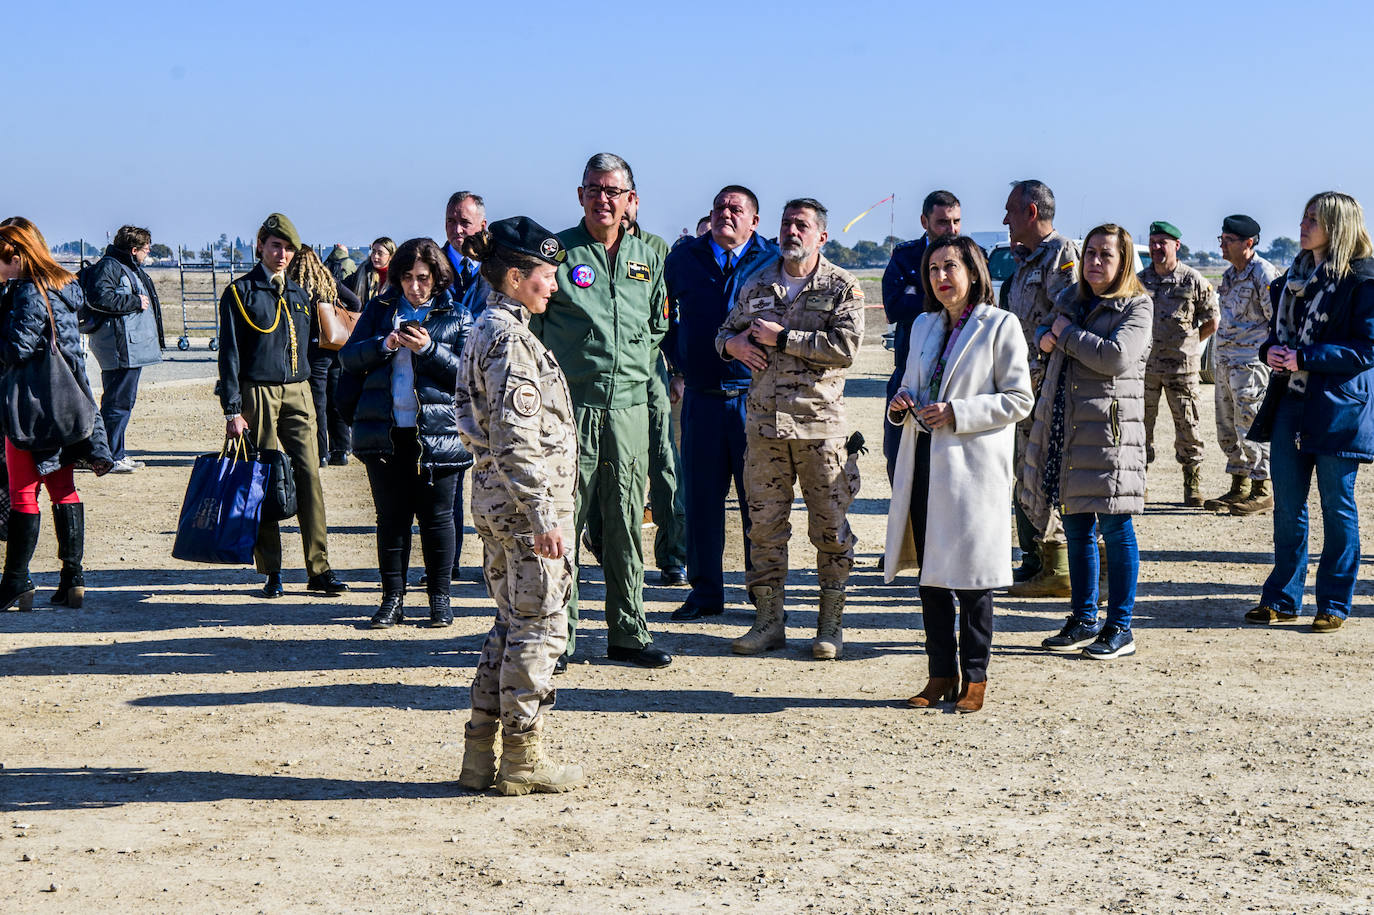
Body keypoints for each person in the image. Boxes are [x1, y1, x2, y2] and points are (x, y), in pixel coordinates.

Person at [454, 216, 583, 795]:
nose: (553, 285)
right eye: (545, 275)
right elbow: (515, 437)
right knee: (541, 628)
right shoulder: (509, 341)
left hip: (497, 500)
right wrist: (543, 515)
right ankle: (523, 758)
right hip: (523, 507)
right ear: (514, 276)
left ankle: (480, 754)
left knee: (511, 623)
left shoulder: (486, 328)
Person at [529, 152, 672, 670]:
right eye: (594, 189)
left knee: (627, 522)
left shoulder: (648, 255)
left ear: (630, 198)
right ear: (580, 195)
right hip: (573, 409)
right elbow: (533, 324)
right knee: (566, 524)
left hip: (629, 408)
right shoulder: (559, 253)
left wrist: (630, 370)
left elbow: (658, 325)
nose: (603, 199)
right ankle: (558, 638)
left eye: (613, 191)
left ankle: (628, 632)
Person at [884, 235, 1032, 712]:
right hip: (926, 461)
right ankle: (939, 673)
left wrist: (958, 412)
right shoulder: (924, 325)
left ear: (973, 271)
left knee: (971, 578)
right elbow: (911, 384)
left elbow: (1019, 399)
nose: (940, 277)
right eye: (932, 269)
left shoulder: (1000, 325)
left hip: (972, 468)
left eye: (950, 267)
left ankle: (975, 676)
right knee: (931, 578)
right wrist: (901, 404)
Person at [715, 198, 864, 659]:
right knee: (764, 529)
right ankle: (768, 622)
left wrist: (784, 339)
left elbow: (845, 347)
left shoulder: (841, 285)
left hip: (820, 429)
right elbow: (724, 333)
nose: (791, 232)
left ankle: (829, 625)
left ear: (822, 236)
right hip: (765, 429)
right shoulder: (757, 282)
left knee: (830, 529)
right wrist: (733, 346)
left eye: (801, 225)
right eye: (786, 224)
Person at [1244, 192, 1374, 633]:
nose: (1303, 225)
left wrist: (1305, 358)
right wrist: (1271, 352)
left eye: (1313, 219)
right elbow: (1275, 338)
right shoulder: (1289, 281)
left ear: (1337, 226)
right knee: (1287, 505)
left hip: (1338, 407)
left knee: (1337, 506)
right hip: (1290, 403)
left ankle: (1334, 602)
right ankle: (1282, 598)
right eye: (1304, 217)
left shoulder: (1362, 281)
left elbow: (1366, 349)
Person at [1022, 223, 1152, 660]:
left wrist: (1065, 335)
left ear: (1124, 261)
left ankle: (1121, 627)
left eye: (1106, 255)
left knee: (1116, 528)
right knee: (1076, 528)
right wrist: (1048, 335)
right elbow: (1043, 331)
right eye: (1091, 252)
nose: (1095, 262)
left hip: (1110, 435)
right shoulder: (1073, 299)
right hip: (1070, 428)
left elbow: (1115, 357)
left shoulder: (1137, 305)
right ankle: (1083, 618)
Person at [340, 238, 470, 628]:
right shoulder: (380, 310)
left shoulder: (458, 315)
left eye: (423, 278)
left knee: (438, 519)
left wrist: (429, 349)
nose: (415, 286)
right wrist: (385, 343)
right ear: (397, 277)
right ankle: (392, 599)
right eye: (408, 277)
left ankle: (440, 599)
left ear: (437, 278)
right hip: (386, 431)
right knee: (391, 519)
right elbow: (348, 357)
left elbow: (468, 374)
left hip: (438, 434)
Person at [663, 185, 778, 620]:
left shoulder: (771, 260)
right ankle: (706, 592)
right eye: (719, 208)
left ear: (755, 221)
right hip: (703, 398)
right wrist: (682, 360)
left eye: (736, 209)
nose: (725, 214)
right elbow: (663, 317)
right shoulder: (684, 259)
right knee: (701, 501)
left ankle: (763, 596)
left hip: (755, 399)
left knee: (758, 503)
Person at [218, 213, 347, 599]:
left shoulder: (299, 294)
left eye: (289, 248)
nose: (282, 254)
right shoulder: (240, 293)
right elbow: (229, 355)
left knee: (309, 475)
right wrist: (232, 409)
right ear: (260, 245)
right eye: (276, 246)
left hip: (298, 390)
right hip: (258, 392)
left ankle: (318, 568)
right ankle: (272, 570)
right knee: (262, 478)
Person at [0, 221, 113, 610]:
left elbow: (15, 349)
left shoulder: (29, 291)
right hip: (65, 404)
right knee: (63, 487)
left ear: (17, 255)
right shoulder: (63, 285)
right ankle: (72, 578)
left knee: (22, 491)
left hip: (30, 407)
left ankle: (16, 580)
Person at [582, 187, 688, 586]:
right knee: (600, 463)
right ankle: (601, 541)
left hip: (648, 369)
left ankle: (673, 553)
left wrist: (677, 370)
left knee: (664, 459)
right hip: (599, 376)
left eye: (620, 197)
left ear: (634, 201)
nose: (614, 208)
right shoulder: (579, 251)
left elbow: (667, 318)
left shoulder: (655, 250)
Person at [1003, 180, 1078, 596]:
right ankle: (1034, 558)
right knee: (1023, 471)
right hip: (1022, 386)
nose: (1005, 219)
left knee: (1044, 470)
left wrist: (1043, 348)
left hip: (1046, 384)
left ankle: (1057, 566)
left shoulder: (1061, 255)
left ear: (1031, 212)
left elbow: (1068, 313)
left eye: (1010, 210)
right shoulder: (1025, 260)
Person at [880, 190, 962, 482]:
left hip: (956, 377)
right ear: (924, 222)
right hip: (908, 374)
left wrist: (918, 295)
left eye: (956, 221)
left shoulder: (971, 256)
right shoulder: (906, 256)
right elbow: (894, 307)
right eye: (942, 222)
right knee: (899, 457)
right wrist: (946, 300)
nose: (951, 229)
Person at [1139, 221, 1219, 505]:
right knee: (1139, 426)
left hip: (1182, 369)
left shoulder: (1192, 279)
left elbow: (1212, 320)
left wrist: (1189, 344)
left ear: (1176, 246)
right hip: (1146, 368)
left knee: (1188, 425)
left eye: (1162, 242)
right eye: (1153, 242)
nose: (1156, 247)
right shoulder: (1139, 281)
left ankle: (1192, 483)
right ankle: (1139, 481)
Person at [1206, 215, 1280, 516]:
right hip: (1226, 362)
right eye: (1221, 239)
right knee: (1227, 425)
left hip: (1250, 364)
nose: (1222, 245)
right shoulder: (1229, 275)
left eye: (1229, 240)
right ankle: (1240, 484)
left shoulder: (1263, 273)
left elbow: (1276, 320)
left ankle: (1262, 488)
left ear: (1248, 243)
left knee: (1250, 423)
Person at [80, 225, 163, 473]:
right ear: (134, 249)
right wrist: (134, 301)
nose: (148, 252)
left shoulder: (126, 267)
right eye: (146, 249)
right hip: (120, 346)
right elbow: (99, 297)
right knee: (117, 403)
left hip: (129, 346)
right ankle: (108, 456)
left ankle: (112, 452)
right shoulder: (110, 266)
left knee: (121, 402)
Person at [438, 190, 490, 582]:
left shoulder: (497, 268)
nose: (457, 230)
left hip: (489, 387)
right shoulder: (430, 265)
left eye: (465, 222)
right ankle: (448, 561)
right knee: (449, 478)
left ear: (482, 226)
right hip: (445, 384)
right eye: (452, 221)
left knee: (495, 478)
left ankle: (496, 559)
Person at [288, 245, 362, 467]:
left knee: (318, 403)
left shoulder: (297, 286)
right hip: (336, 345)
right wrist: (337, 314)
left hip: (314, 349)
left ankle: (321, 453)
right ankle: (342, 449)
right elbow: (356, 302)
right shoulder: (328, 281)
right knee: (336, 399)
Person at [346, 237, 395, 304]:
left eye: (380, 253)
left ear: (391, 256)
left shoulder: (397, 278)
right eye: (373, 252)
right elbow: (342, 286)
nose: (375, 256)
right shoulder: (363, 271)